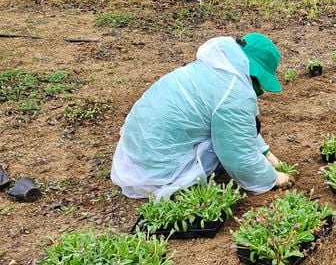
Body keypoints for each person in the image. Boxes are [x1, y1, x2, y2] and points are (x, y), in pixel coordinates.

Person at [111, 33, 294, 199]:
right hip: (157, 165)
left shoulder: (216, 67)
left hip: (136, 150)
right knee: (222, 148)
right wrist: (272, 177)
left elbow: (235, 124)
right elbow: (237, 153)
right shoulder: (233, 92)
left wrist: (265, 152)